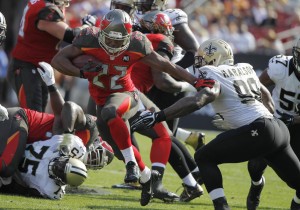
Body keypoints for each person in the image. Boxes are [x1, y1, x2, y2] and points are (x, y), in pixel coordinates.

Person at [51, 9, 207, 206]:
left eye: (119, 40)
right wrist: (81, 72)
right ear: (101, 34)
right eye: (111, 39)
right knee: (119, 146)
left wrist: (195, 81)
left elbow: (166, 66)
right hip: (103, 102)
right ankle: (146, 177)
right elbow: (57, 60)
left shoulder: (137, 42)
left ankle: (162, 177)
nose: (115, 45)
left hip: (130, 96)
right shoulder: (89, 39)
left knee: (164, 133)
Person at [131, 38, 300, 210]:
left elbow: (198, 100)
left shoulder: (212, 72)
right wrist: (265, 118)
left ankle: (222, 207)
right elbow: (266, 96)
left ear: (216, 58)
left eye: (204, 59)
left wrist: (159, 116)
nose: (200, 64)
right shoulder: (246, 68)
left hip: (261, 129)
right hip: (279, 129)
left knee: (204, 157)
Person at [133, 0, 205, 149]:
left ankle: (191, 170)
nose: (141, 6)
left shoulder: (172, 16)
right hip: (149, 78)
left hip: (168, 77)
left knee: (162, 133)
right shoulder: (135, 17)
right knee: (147, 123)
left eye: (145, 3)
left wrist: (170, 70)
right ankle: (190, 139)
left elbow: (194, 51)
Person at [8, 0, 97, 112]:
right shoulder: (46, 10)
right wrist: (87, 25)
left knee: (39, 115)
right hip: (27, 67)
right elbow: (72, 36)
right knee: (32, 116)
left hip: (36, 67)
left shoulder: (43, 5)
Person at [246, 37, 300, 210]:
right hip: (275, 120)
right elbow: (256, 87)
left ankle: (297, 203)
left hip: (298, 125)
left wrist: (292, 119)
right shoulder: (280, 68)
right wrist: (265, 110)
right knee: (255, 165)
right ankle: (256, 185)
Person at [0, 134, 88, 199]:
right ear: (69, 158)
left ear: (64, 182)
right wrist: (66, 145)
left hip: (7, 172)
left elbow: (21, 190)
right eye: (63, 165)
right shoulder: (70, 148)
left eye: (61, 172)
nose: (58, 167)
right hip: (11, 144)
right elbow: (70, 136)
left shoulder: (51, 190)